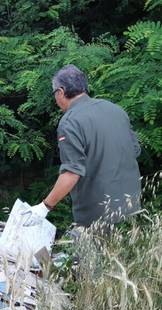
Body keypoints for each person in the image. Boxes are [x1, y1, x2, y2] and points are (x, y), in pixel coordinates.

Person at [25, 64, 141, 229]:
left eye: (54, 93)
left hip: (98, 214)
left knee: (88, 254)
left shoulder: (70, 122)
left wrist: (45, 206)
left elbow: (72, 172)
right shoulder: (115, 110)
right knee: (132, 254)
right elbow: (135, 150)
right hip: (132, 207)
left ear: (61, 92)